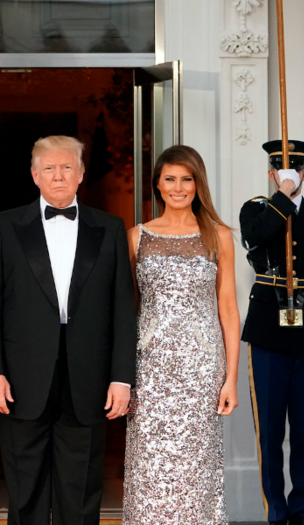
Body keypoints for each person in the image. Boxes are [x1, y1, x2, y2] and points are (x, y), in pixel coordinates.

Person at [0, 135, 136, 524]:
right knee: (25, 486)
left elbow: (122, 309)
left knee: (80, 490)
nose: (58, 176)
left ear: (81, 174)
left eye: (67, 167)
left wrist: (121, 378)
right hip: (19, 376)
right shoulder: (3, 226)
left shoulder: (111, 228)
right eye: (49, 168)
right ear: (34, 175)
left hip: (89, 377)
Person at [123, 145, 240, 524]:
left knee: (197, 471)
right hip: (150, 371)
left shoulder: (219, 235)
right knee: (150, 470)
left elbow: (228, 309)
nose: (178, 187)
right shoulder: (136, 237)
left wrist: (232, 379)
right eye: (170, 178)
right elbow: (125, 311)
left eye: (187, 179)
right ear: (157, 184)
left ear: (198, 183)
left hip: (202, 371)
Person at [240, 140, 304, 525]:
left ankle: (300, 513)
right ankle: (276, 514)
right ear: (272, 174)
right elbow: (258, 239)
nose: (289, 177)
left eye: (294, 171)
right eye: (280, 172)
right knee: (269, 433)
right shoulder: (255, 210)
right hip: (268, 333)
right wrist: (281, 198)